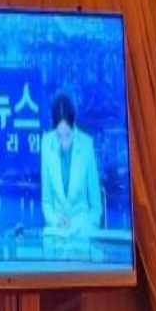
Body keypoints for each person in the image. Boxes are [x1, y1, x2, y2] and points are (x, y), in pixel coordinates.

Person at [40, 93, 102, 233]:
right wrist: (55, 221)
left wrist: (85, 226)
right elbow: (47, 203)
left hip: (83, 229)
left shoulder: (86, 145)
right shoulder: (46, 144)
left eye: (68, 135)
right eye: (59, 136)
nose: (64, 143)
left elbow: (96, 207)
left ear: (74, 127)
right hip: (57, 231)